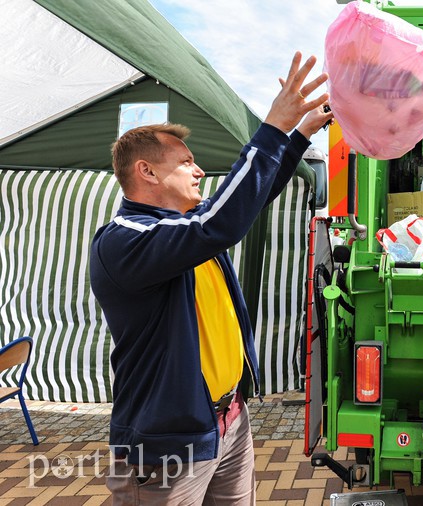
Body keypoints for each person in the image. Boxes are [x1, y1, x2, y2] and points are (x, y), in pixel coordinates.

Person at [90, 52, 334, 505]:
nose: (199, 170)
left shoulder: (183, 228)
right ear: (147, 171)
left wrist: (298, 135)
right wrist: (273, 128)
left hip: (228, 423)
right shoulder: (124, 242)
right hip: (169, 446)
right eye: (186, 162)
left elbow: (247, 203)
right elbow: (220, 225)